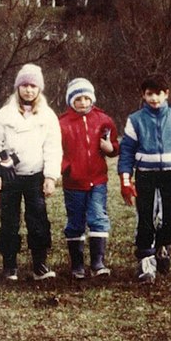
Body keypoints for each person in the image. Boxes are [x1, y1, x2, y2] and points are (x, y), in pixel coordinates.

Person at [117, 73, 171, 284]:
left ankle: (163, 245)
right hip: (145, 175)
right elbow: (126, 150)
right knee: (145, 217)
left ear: (167, 94)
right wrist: (125, 181)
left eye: (159, 94)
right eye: (149, 94)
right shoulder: (135, 120)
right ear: (143, 95)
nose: (154, 98)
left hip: (169, 174)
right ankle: (146, 260)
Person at [0, 64, 63, 282]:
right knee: (9, 222)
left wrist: (50, 176)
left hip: (35, 176)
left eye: (33, 86)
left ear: (39, 89)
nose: (29, 90)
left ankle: (39, 264)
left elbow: (53, 147)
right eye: (24, 85)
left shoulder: (47, 116)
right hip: (10, 177)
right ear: (17, 87)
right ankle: (9, 265)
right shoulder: (4, 114)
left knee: (38, 220)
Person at [57, 77, 119, 280]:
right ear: (70, 101)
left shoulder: (103, 120)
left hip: (97, 180)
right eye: (78, 99)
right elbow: (55, 150)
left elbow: (113, 147)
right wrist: (65, 167)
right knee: (75, 221)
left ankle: (97, 262)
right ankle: (77, 265)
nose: (83, 103)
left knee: (98, 217)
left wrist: (110, 148)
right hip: (73, 182)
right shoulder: (62, 123)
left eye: (86, 98)